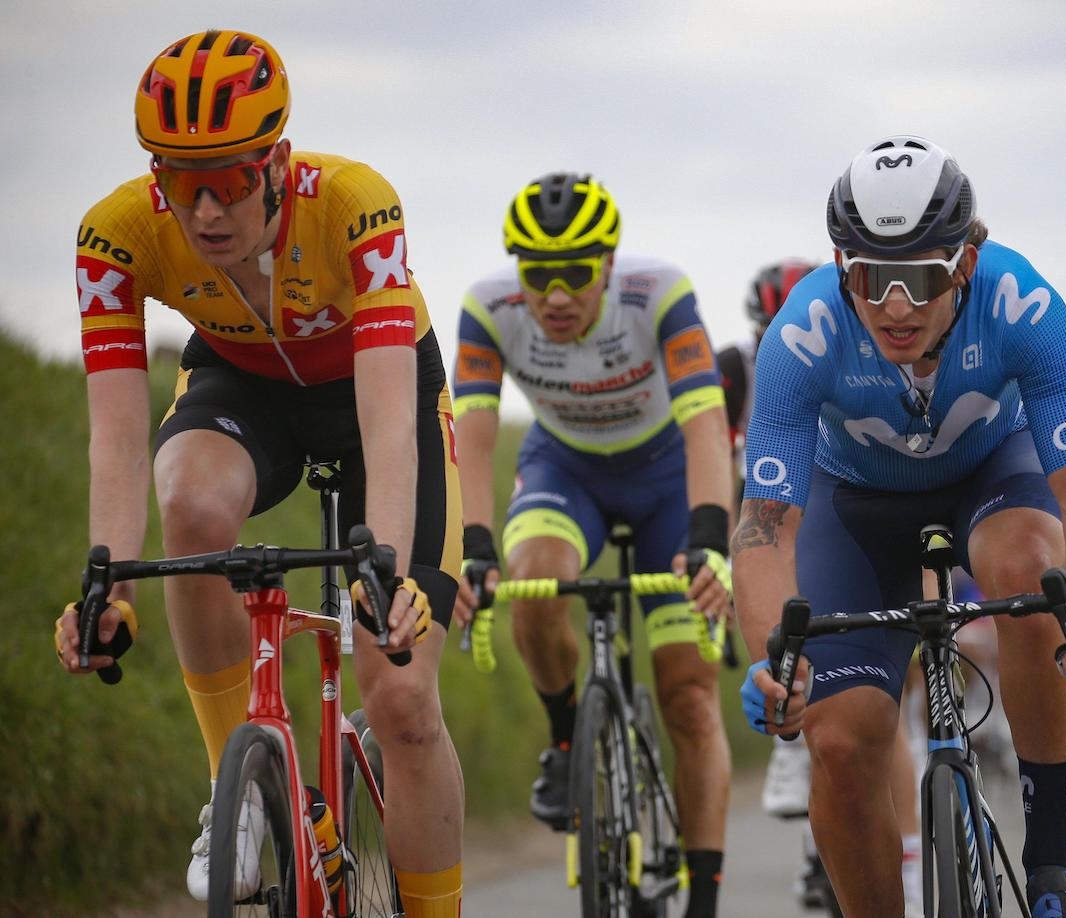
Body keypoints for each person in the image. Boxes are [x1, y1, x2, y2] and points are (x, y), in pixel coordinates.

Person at [54, 30, 465, 914]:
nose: (205, 211)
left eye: (231, 180)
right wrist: (106, 587)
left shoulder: (356, 204)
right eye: (179, 182)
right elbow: (118, 439)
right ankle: (233, 792)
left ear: (276, 164)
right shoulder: (114, 234)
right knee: (190, 502)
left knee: (401, 697)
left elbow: (389, 425)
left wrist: (390, 569)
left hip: (373, 395)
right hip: (244, 386)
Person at [734, 135, 1066, 918]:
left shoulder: (1022, 304)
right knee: (839, 742)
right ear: (841, 266)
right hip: (857, 507)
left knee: (1029, 569)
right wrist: (774, 663)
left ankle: (1054, 865)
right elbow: (766, 525)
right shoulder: (802, 333)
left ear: (964, 264)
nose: (894, 306)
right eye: (869, 278)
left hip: (992, 479)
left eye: (919, 279)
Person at [451, 172, 734, 917]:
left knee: (688, 696)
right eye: (538, 274)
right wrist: (474, 549)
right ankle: (568, 740)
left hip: (667, 479)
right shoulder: (488, 308)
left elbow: (707, 425)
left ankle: (702, 901)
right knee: (534, 579)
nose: (555, 295)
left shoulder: (659, 293)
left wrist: (711, 541)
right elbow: (471, 442)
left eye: (575, 274)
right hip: (566, 468)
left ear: (607, 265)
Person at [720, 261, 924, 917]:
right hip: (773, 512)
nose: (774, 344)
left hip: (854, 509)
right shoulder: (737, 371)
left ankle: (912, 850)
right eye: (765, 333)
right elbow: (723, 477)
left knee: (883, 696)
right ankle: (797, 735)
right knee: (756, 581)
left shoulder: (857, 351)